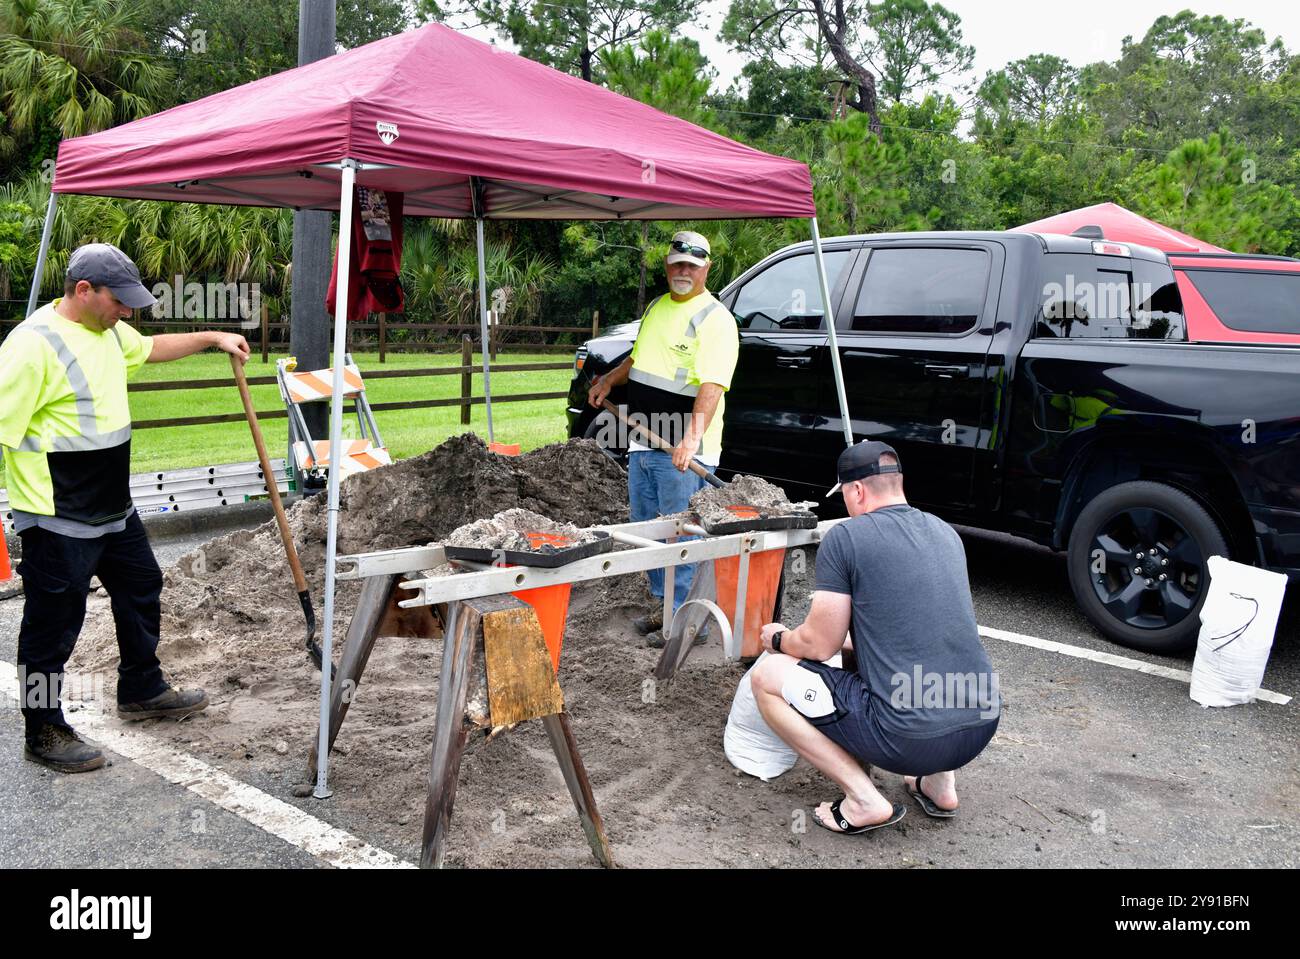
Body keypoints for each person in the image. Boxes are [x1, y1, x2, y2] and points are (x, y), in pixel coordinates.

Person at [0, 243, 250, 773]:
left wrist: (213, 337)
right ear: (83, 291)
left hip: (113, 509)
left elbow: (149, 348)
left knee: (141, 586)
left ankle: (141, 687)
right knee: (52, 624)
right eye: (120, 301)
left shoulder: (109, 330)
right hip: (57, 514)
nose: (128, 313)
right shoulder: (31, 346)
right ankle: (42, 729)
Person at [750, 441, 1001, 833]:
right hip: (980, 724)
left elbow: (819, 644)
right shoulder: (944, 532)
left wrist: (779, 640)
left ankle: (864, 800)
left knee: (766, 680)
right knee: (922, 654)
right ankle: (939, 784)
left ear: (857, 491)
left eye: (845, 496)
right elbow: (916, 633)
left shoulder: (847, 538)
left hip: (907, 738)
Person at [587, 231, 739, 647]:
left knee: (682, 534)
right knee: (650, 530)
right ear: (668, 266)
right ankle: (664, 605)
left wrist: (691, 439)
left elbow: (712, 386)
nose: (683, 271)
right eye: (677, 264)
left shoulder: (715, 320)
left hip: (682, 452)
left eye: (692, 265)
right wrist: (607, 382)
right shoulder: (657, 306)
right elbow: (638, 358)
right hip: (642, 439)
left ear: (707, 267)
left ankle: (688, 621)